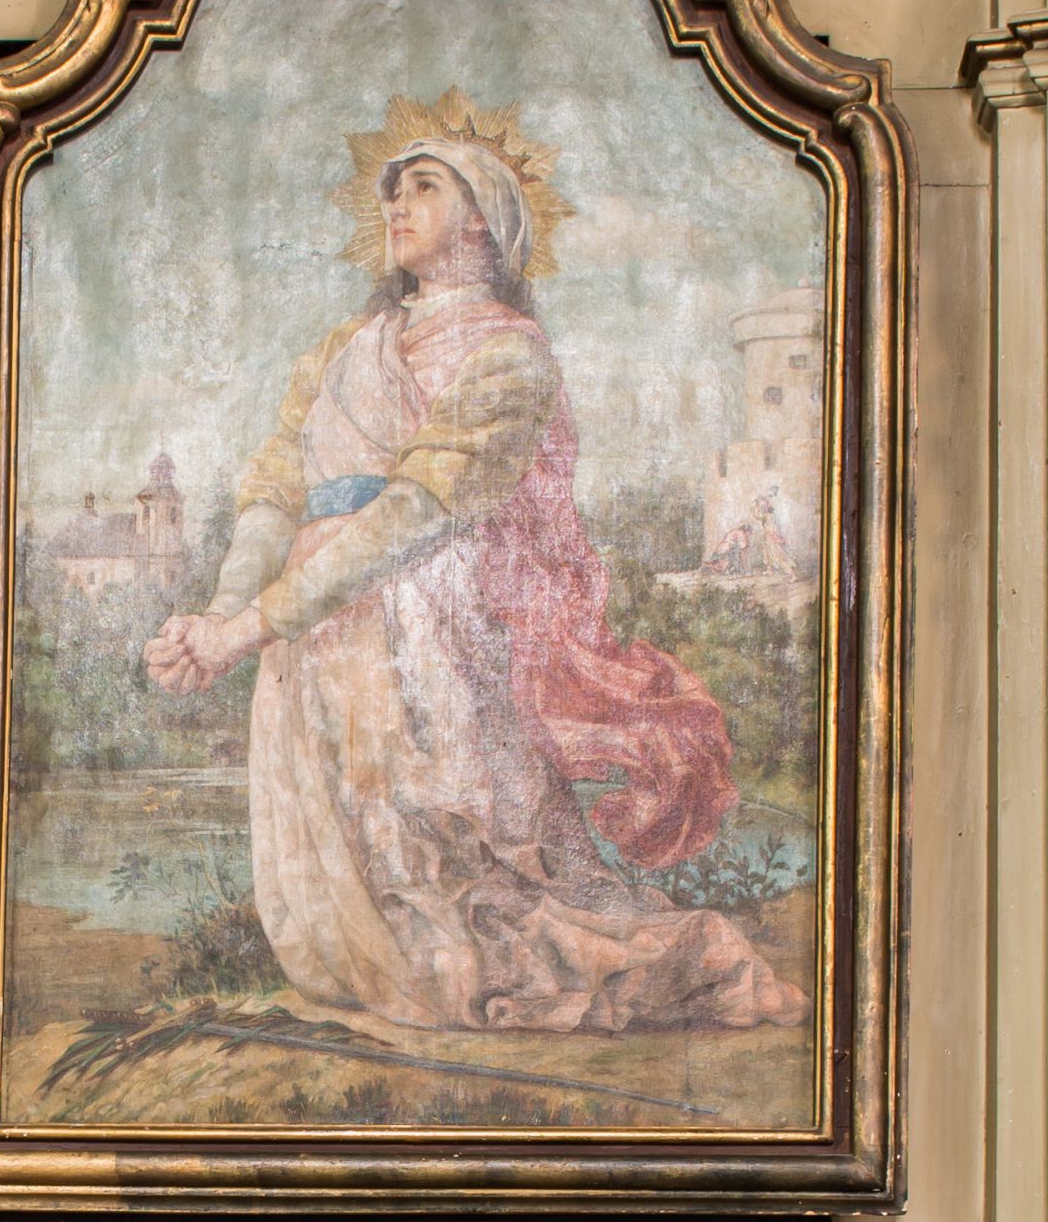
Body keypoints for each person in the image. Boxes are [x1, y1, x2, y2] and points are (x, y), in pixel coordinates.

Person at [144, 122, 806, 1038]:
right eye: (393, 188)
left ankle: (660, 963)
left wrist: (244, 628)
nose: (397, 204)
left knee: (449, 880)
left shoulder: (509, 353)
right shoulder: (344, 348)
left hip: (425, 625)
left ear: (484, 221)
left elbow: (413, 514)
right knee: (345, 919)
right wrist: (215, 619)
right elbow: (273, 489)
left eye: (424, 186)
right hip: (308, 627)